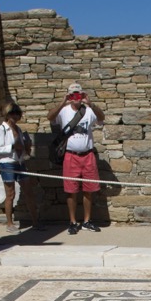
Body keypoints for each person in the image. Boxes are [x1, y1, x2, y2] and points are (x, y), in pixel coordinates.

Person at [47, 83, 105, 235]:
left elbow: (101, 118)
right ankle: (72, 221)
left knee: (89, 189)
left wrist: (90, 102)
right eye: (73, 94)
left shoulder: (88, 111)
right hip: (71, 155)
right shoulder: (64, 111)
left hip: (87, 155)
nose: (76, 97)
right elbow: (50, 117)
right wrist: (62, 102)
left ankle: (87, 220)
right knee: (71, 190)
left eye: (78, 94)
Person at [0, 102, 41, 233]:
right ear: (7, 115)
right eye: (12, 113)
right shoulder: (1, 130)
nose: (15, 116)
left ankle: (35, 222)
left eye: (17, 113)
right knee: (10, 194)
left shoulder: (18, 130)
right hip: (7, 162)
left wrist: (26, 148)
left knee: (28, 191)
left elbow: (22, 148)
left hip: (19, 162)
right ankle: (9, 223)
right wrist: (13, 147)